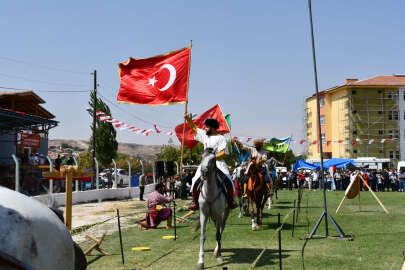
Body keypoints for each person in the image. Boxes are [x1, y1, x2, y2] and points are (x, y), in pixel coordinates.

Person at [184, 114, 237, 210]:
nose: (205, 128)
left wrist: (212, 158)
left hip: (218, 163)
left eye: (207, 127)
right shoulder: (204, 135)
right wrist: (188, 120)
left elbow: (224, 153)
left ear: (212, 128)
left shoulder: (220, 138)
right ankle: (195, 202)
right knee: (195, 180)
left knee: (228, 181)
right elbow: (195, 129)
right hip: (204, 164)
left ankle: (230, 201)